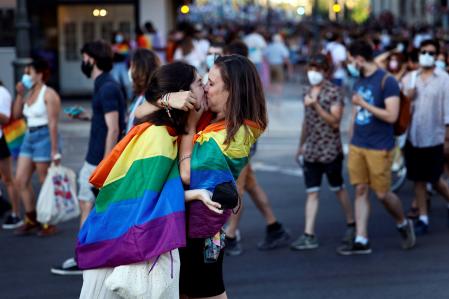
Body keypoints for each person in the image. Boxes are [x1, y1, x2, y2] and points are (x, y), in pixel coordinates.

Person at [77, 62, 202, 298]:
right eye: (199, 83)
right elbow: (147, 199)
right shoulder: (161, 137)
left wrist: (170, 104)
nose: (205, 87)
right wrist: (189, 124)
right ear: (184, 94)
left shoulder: (156, 128)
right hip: (122, 254)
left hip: (111, 246)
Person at [178, 55, 267, 299]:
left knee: (209, 292)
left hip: (203, 231)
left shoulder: (236, 134)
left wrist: (189, 126)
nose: (205, 88)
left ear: (232, 91)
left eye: (211, 83)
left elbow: (187, 174)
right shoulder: (213, 118)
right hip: (185, 225)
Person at [51, 40, 125, 275]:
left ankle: (84, 258)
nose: (83, 62)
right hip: (96, 159)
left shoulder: (107, 87)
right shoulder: (104, 85)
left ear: (92, 59)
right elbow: (106, 119)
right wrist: (86, 116)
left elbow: (113, 128)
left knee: (88, 206)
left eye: (84, 57)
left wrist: (104, 165)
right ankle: (88, 256)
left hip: (98, 160)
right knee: (91, 207)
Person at [337, 40, 415, 255]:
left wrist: (365, 105)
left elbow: (391, 115)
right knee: (360, 189)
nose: (349, 64)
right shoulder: (360, 80)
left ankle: (402, 223)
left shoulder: (387, 81)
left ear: (359, 59)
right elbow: (355, 111)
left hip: (380, 146)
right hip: (358, 144)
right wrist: (351, 137)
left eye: (351, 59)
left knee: (382, 194)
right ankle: (362, 239)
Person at [221, 41, 290, 256]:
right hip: (245, 138)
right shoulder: (248, 78)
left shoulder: (242, 82)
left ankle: (231, 236)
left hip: (243, 140)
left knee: (238, 189)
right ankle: (274, 226)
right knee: (249, 184)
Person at [290, 54, 355, 251]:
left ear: (326, 72)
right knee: (312, 192)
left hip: (330, 150)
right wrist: (300, 145)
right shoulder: (306, 91)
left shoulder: (334, 92)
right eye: (311, 69)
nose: (313, 74)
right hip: (312, 150)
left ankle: (352, 224)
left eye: (318, 70)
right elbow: (306, 121)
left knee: (338, 188)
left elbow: (335, 122)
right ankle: (309, 234)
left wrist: (316, 105)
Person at [401, 39, 449, 235]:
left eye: (430, 52)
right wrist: (408, 99)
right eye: (423, 52)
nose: (426, 55)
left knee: (435, 179)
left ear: (436, 55)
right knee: (418, 180)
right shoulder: (410, 79)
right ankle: (423, 217)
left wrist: (447, 138)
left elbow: (448, 110)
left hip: (434, 136)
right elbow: (401, 109)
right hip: (413, 137)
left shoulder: (444, 79)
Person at [13, 58, 61, 237]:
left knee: (44, 180)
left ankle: (47, 221)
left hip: (44, 137)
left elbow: (53, 123)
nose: (26, 76)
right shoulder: (28, 92)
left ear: (39, 74)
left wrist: (54, 150)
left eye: (29, 72)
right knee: (20, 179)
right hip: (29, 136)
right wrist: (19, 94)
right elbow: (17, 115)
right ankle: (31, 217)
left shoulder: (49, 94)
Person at [0, 81, 21, 229]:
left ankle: (15, 214)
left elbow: (6, 118)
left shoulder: (2, 92)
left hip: (0, 140)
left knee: (8, 179)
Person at [264, 34, 291, 101]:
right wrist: (289, 68)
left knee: (271, 81)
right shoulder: (281, 47)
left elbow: (264, 56)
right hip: (278, 66)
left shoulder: (270, 46)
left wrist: (267, 61)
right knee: (279, 82)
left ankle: (271, 97)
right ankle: (278, 97)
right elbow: (286, 58)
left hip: (270, 65)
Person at [111, 31, 132, 99]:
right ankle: (116, 97)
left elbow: (126, 53)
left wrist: (119, 51)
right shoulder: (113, 46)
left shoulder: (125, 46)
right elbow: (111, 55)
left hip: (123, 65)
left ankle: (130, 97)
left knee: (127, 83)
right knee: (116, 82)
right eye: (117, 36)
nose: (119, 38)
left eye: (120, 36)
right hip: (115, 65)